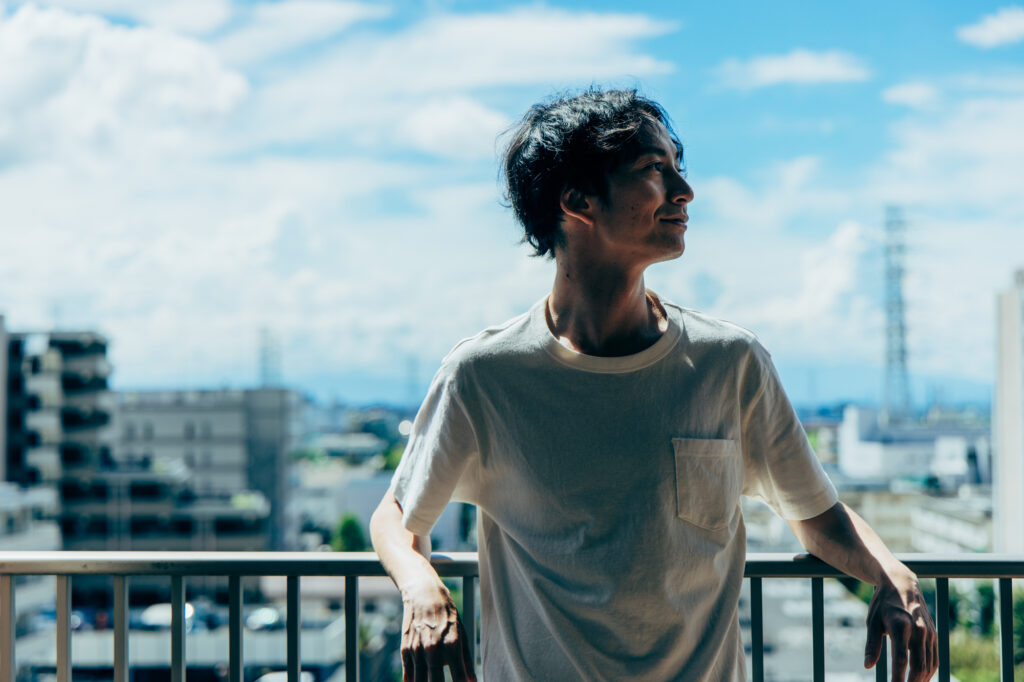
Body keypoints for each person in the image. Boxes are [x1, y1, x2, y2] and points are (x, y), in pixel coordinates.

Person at [369, 89, 938, 682]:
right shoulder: (486, 375)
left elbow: (816, 515)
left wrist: (892, 574)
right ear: (577, 199)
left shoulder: (729, 362)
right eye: (653, 168)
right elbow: (397, 516)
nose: (684, 191)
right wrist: (420, 586)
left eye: (677, 168)